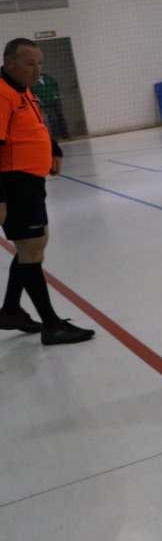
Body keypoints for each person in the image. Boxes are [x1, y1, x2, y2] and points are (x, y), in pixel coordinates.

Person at [0, 38, 94, 344]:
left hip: (29, 180)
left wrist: (53, 149)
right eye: (30, 63)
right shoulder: (1, 93)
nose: (36, 70)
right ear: (9, 62)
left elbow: (35, 125)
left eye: (39, 63)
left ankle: (11, 311)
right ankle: (52, 326)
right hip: (13, 183)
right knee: (31, 249)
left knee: (35, 245)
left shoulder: (22, 89)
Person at [33, 71, 68, 140]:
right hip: (45, 103)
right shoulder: (33, 83)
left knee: (60, 115)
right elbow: (32, 94)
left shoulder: (47, 77)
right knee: (52, 117)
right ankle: (56, 135)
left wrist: (57, 95)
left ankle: (65, 133)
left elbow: (55, 84)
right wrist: (39, 102)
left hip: (55, 100)